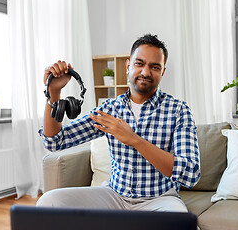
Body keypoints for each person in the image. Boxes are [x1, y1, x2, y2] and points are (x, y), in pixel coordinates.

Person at [37, 34, 200, 213]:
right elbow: (55, 141)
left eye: (154, 67)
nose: (146, 72)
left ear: (163, 72)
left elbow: (190, 174)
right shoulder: (110, 109)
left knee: (179, 220)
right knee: (49, 201)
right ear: (128, 66)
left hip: (160, 199)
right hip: (115, 196)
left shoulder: (178, 110)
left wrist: (134, 139)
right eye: (139, 63)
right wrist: (54, 93)